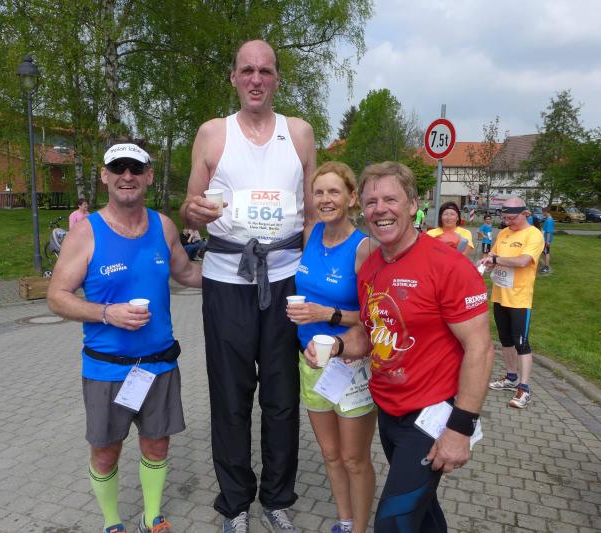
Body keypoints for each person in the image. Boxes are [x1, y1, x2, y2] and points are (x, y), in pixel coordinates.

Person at [305, 162, 494, 532]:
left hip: (432, 416)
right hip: (390, 412)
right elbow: (369, 333)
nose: (381, 209)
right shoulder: (372, 266)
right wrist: (338, 345)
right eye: (372, 201)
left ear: (412, 205)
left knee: (392, 522)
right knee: (424, 517)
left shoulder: (448, 266)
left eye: (391, 199)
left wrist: (460, 428)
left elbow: (480, 349)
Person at [180, 39, 316, 533]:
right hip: (227, 280)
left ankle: (277, 498)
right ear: (234, 77)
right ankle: (235, 502)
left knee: (282, 397)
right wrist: (193, 212)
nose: (256, 79)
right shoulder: (212, 133)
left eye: (265, 71)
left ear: (276, 78)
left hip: (285, 279)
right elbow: (189, 208)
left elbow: (314, 211)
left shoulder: (298, 132)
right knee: (230, 397)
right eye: (247, 70)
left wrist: (317, 278)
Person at [47, 143, 202, 533]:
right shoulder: (86, 232)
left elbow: (187, 273)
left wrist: (237, 273)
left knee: (157, 444)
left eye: (136, 168)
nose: (127, 176)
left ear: (149, 175)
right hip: (107, 368)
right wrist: (106, 313)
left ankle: (152, 517)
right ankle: (112, 522)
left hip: (159, 364)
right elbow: (57, 297)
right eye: (119, 168)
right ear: (105, 176)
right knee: (105, 453)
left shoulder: (163, 226)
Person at [286, 161, 375, 533]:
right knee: (330, 453)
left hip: (350, 364)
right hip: (311, 361)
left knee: (354, 458)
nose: (325, 199)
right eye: (319, 192)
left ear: (351, 197)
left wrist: (328, 314)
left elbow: (375, 317)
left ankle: (359, 529)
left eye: (334, 191)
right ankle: (344, 521)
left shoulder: (363, 247)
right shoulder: (311, 233)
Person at [478, 198, 545, 409]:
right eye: (504, 217)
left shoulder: (534, 234)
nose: (507, 222)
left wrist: (496, 260)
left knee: (521, 343)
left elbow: (523, 261)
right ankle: (511, 377)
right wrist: (487, 262)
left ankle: (524, 389)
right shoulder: (504, 233)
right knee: (505, 340)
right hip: (500, 295)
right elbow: (493, 254)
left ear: (524, 213)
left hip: (519, 298)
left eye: (511, 218)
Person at [540, 206, 554, 273]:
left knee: (546, 253)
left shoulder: (549, 220)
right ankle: (545, 265)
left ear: (546, 212)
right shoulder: (548, 219)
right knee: (544, 252)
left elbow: (548, 232)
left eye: (543, 212)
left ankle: (547, 267)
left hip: (546, 240)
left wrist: (547, 242)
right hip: (544, 239)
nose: (542, 213)